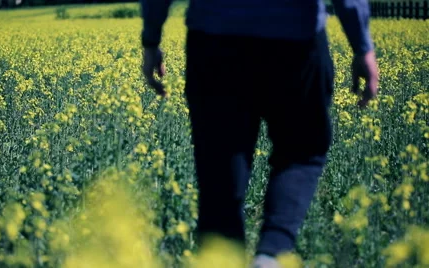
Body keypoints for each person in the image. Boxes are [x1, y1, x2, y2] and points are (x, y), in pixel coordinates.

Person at [140, 0, 379, 267]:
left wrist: (151, 38)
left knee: (220, 167)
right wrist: (362, 45)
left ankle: (223, 259)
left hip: (213, 40)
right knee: (301, 152)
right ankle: (272, 255)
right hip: (295, 39)